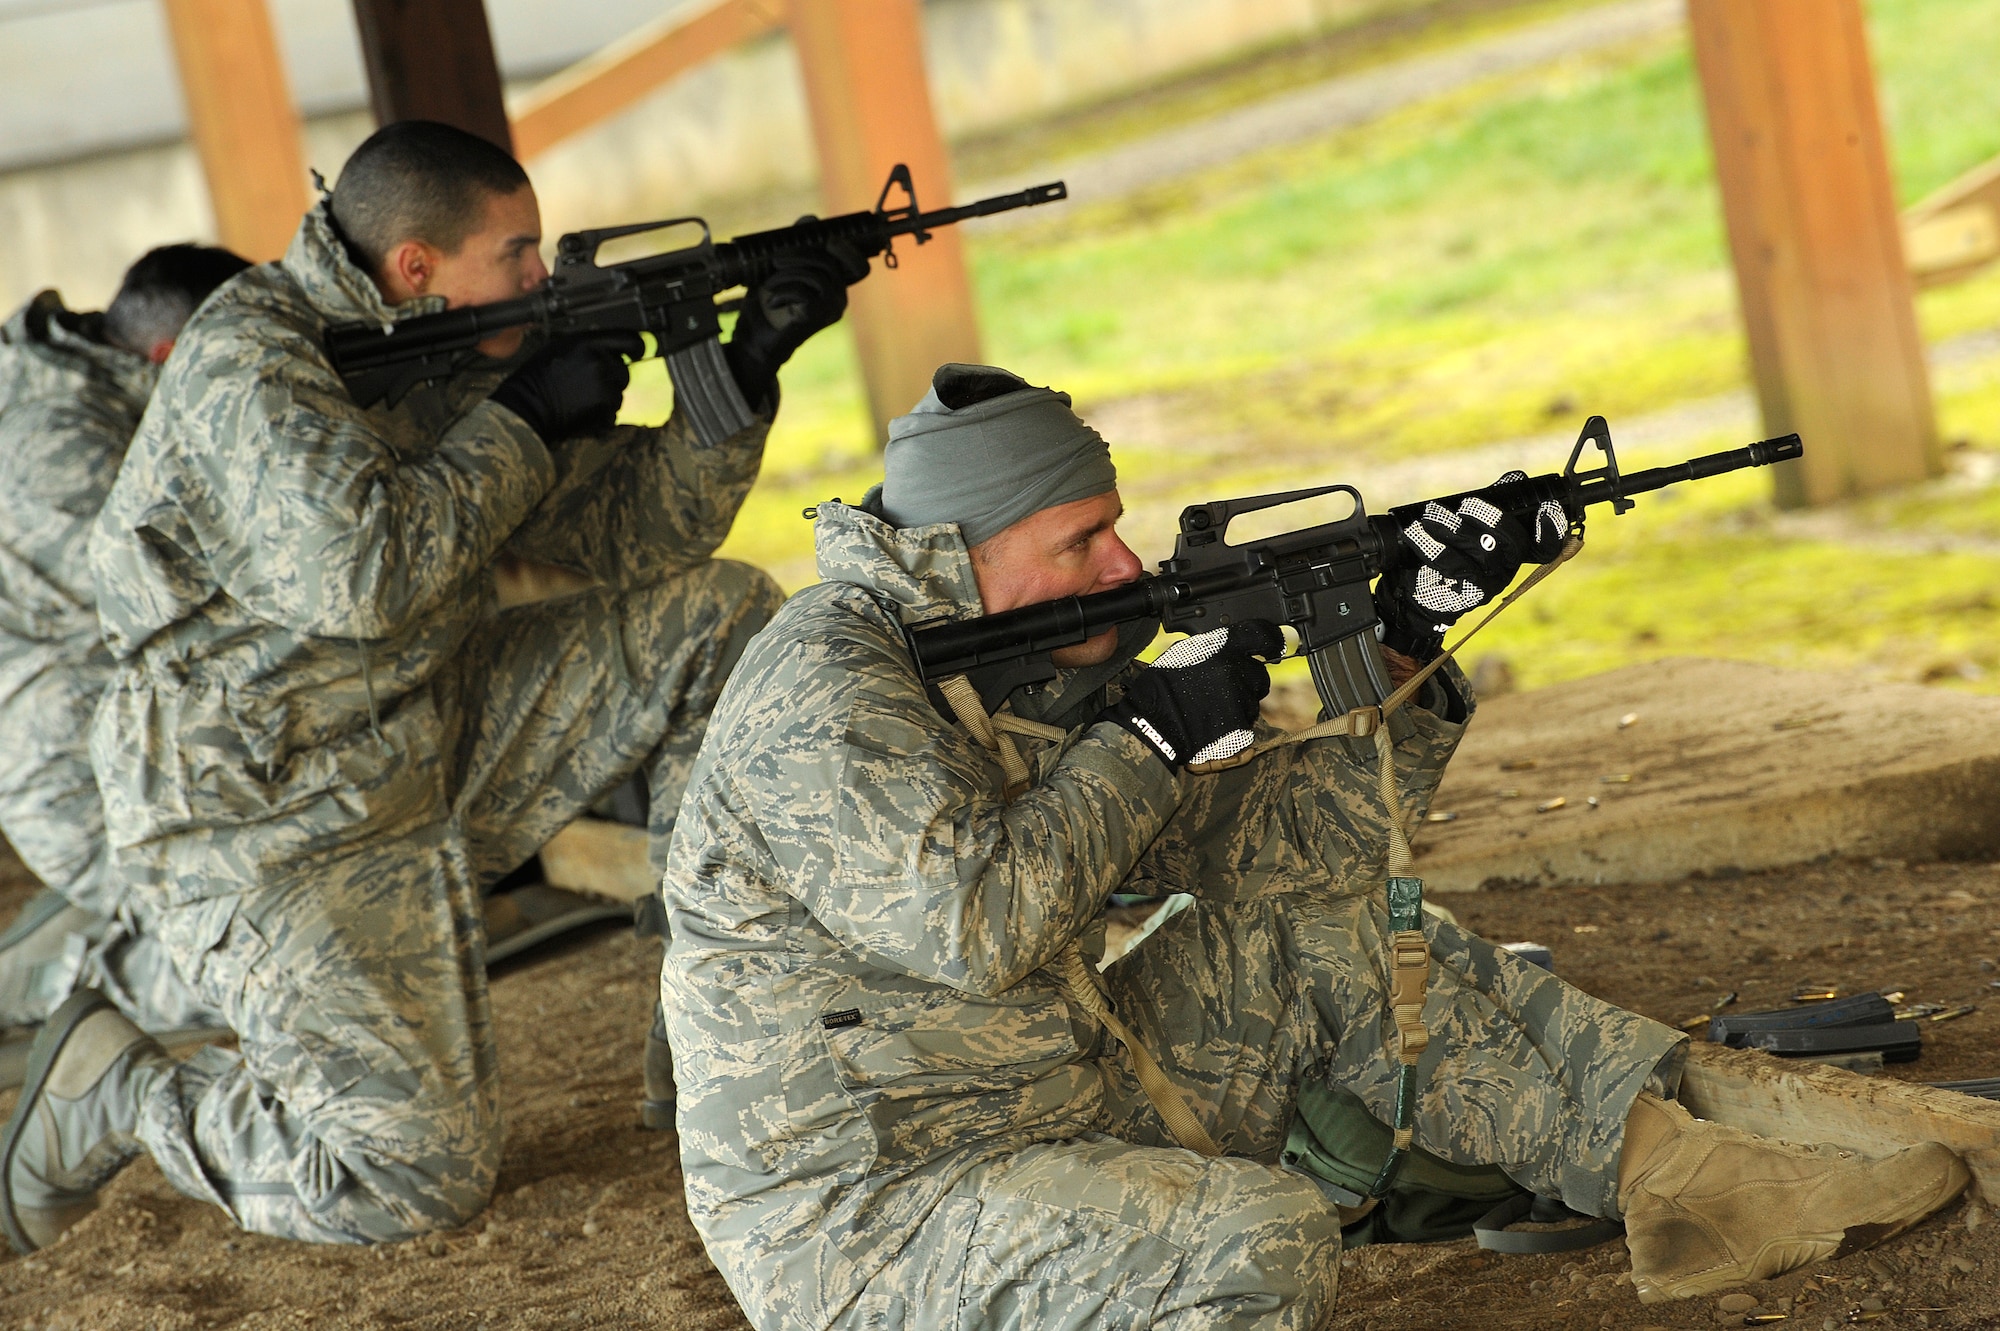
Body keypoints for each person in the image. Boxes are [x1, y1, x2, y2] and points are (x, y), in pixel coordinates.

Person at [657, 363, 1969, 1329]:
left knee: (1329, 933)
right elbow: (977, 929)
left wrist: (1408, 641)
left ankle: (1691, 1187)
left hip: (1042, 1105)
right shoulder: (822, 692)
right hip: (868, 1223)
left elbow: (1291, 852)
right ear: (961, 551)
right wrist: (1158, 729)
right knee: (1256, 1240)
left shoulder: (1013, 658)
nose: (1121, 559)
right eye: (1080, 539)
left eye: (1115, 521)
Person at [0, 119, 860, 1253]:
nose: (539, 277)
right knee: (407, 1177)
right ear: (416, 266)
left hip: (419, 732)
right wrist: (523, 416)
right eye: (516, 253)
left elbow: (639, 532)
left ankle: (716, 1003)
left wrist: (743, 374)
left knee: (718, 612)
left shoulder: (428, 346)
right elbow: (362, 575)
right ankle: (119, 1091)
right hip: (266, 815)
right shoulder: (252, 360)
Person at [0, 245, 249, 1034]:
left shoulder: (101, 387)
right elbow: (187, 603)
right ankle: (64, 980)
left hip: (135, 742)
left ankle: (91, 921)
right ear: (173, 356)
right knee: (263, 968)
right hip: (72, 779)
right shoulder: (54, 442)